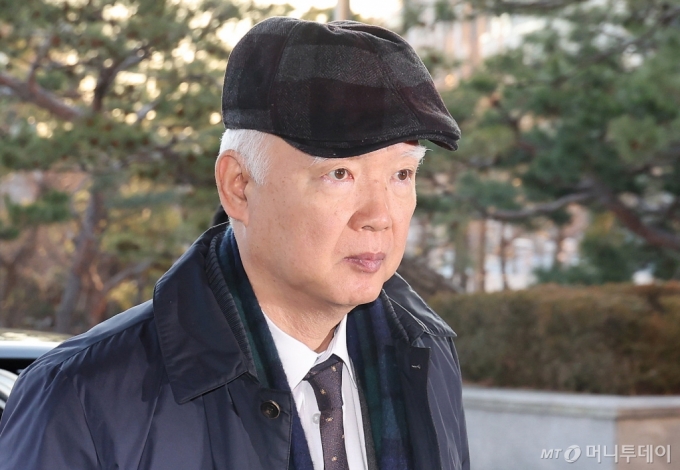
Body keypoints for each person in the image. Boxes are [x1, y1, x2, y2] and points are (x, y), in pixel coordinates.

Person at [0, 17, 469, 470]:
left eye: (402, 174)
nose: (379, 216)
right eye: (340, 174)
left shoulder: (425, 354)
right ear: (239, 186)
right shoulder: (79, 399)